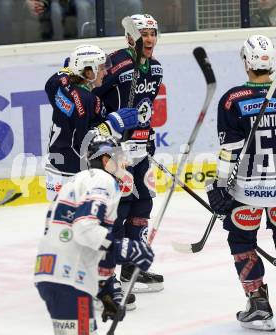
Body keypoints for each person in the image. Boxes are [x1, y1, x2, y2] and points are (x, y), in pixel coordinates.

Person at [206, 35, 276, 334]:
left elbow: (230, 151)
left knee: (242, 242)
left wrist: (218, 185)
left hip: (247, 190)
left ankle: (257, 304)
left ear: (246, 62)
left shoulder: (233, 99)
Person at [34, 134, 155, 334]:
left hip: (53, 274)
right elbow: (85, 230)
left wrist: (106, 290)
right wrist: (127, 248)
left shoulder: (79, 182)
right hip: (69, 276)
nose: (124, 163)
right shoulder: (102, 180)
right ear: (106, 160)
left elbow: (94, 244)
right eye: (118, 157)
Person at [93, 14, 164, 293]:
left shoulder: (155, 69)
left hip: (141, 149)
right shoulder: (115, 64)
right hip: (116, 151)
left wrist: (149, 135)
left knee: (143, 204)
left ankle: (132, 268)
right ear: (130, 37)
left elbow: (146, 107)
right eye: (144, 34)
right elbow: (93, 97)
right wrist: (102, 137)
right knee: (119, 208)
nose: (149, 39)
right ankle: (109, 272)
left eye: (153, 33)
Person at [44, 44, 138, 201]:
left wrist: (72, 69)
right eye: (100, 68)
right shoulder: (88, 100)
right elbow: (83, 142)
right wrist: (111, 125)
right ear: (87, 71)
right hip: (74, 172)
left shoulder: (59, 83)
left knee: (59, 220)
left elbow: (52, 83)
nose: (105, 72)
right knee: (82, 221)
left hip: (54, 168)